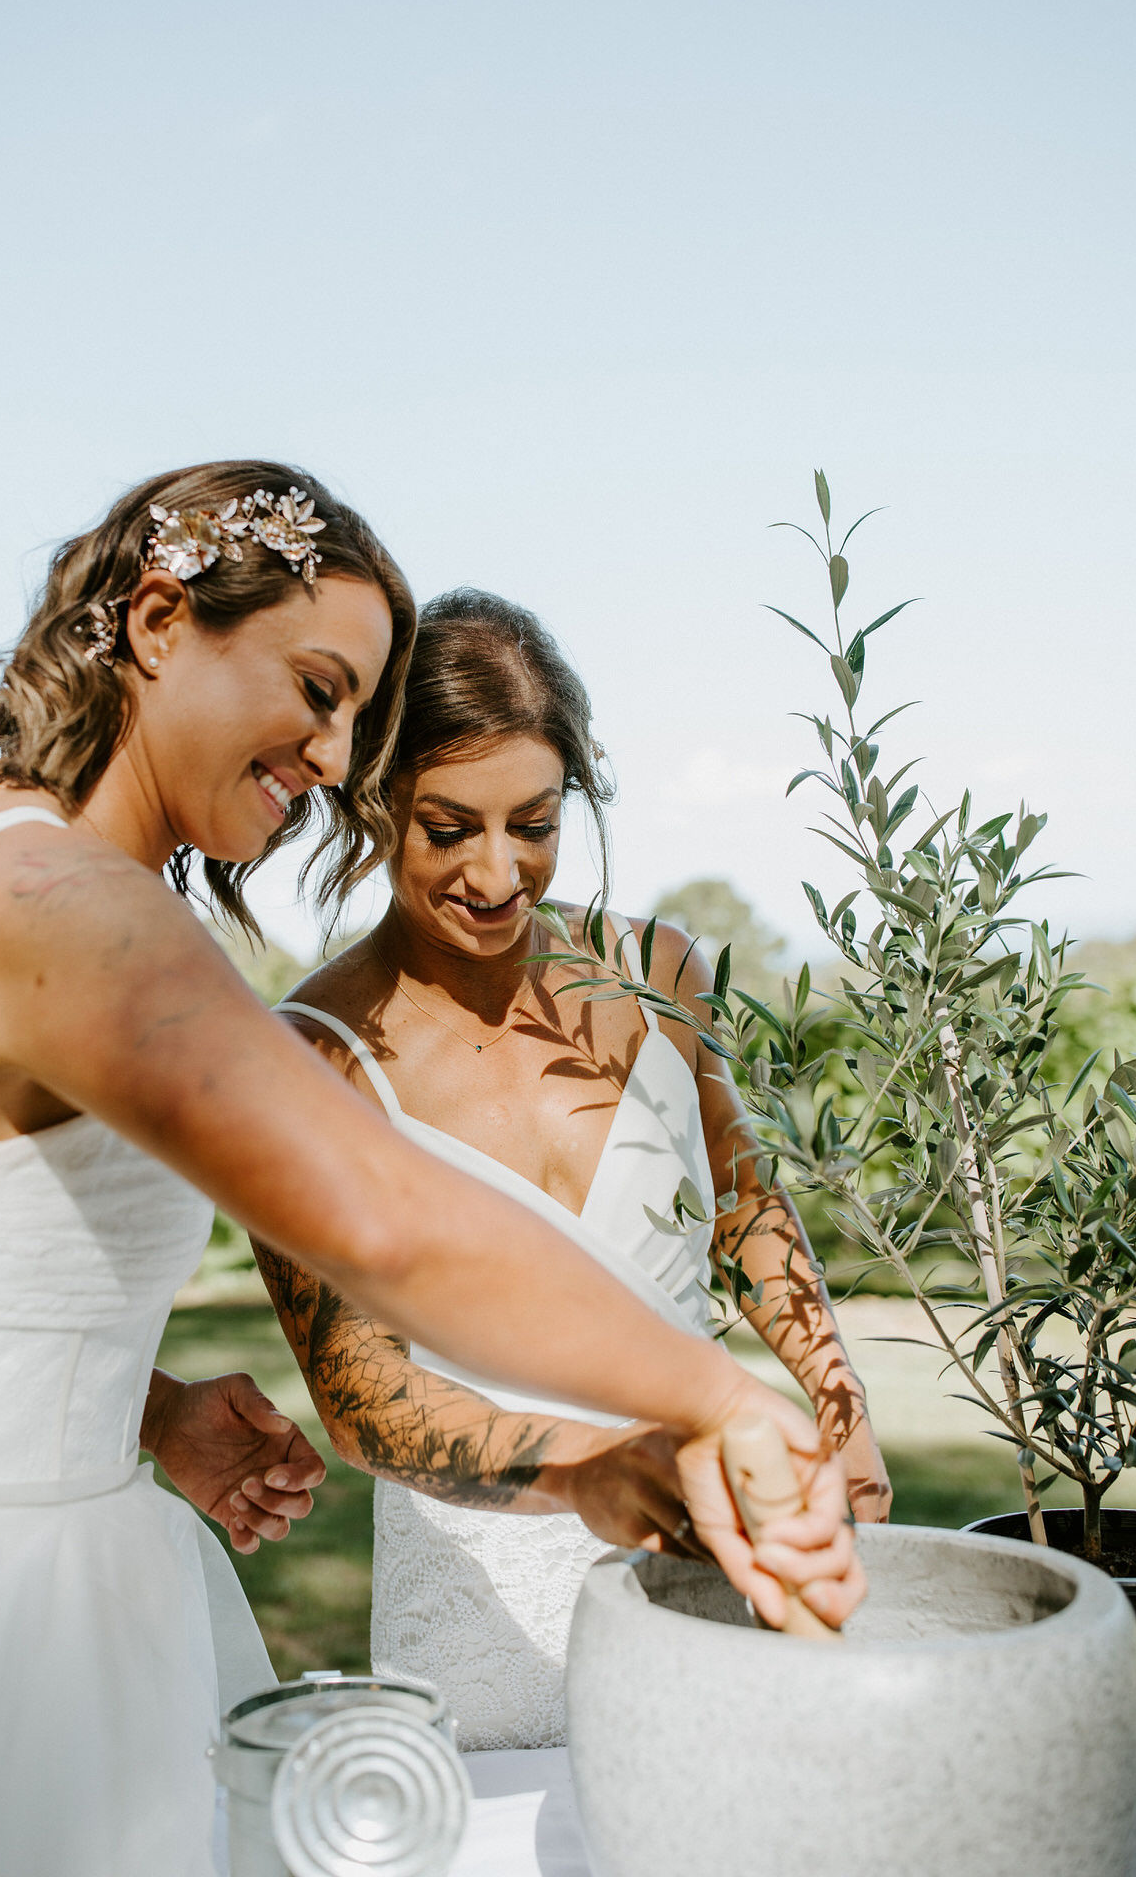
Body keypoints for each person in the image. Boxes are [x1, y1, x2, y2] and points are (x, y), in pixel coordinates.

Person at [0, 470, 861, 1877]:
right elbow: (381, 1221)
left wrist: (141, 1408)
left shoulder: (30, 880)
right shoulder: (44, 897)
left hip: (65, 1580)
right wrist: (713, 1397)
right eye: (316, 685)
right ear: (162, 621)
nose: (332, 750)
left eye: (356, 710)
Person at [252, 587, 891, 1752]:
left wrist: (838, 1402)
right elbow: (360, 1394)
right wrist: (588, 1461)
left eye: (534, 822)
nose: (498, 875)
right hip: (478, 1605)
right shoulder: (306, 1056)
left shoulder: (659, 968)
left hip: (705, 1544)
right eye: (448, 828)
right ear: (372, 802)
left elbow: (744, 1205)